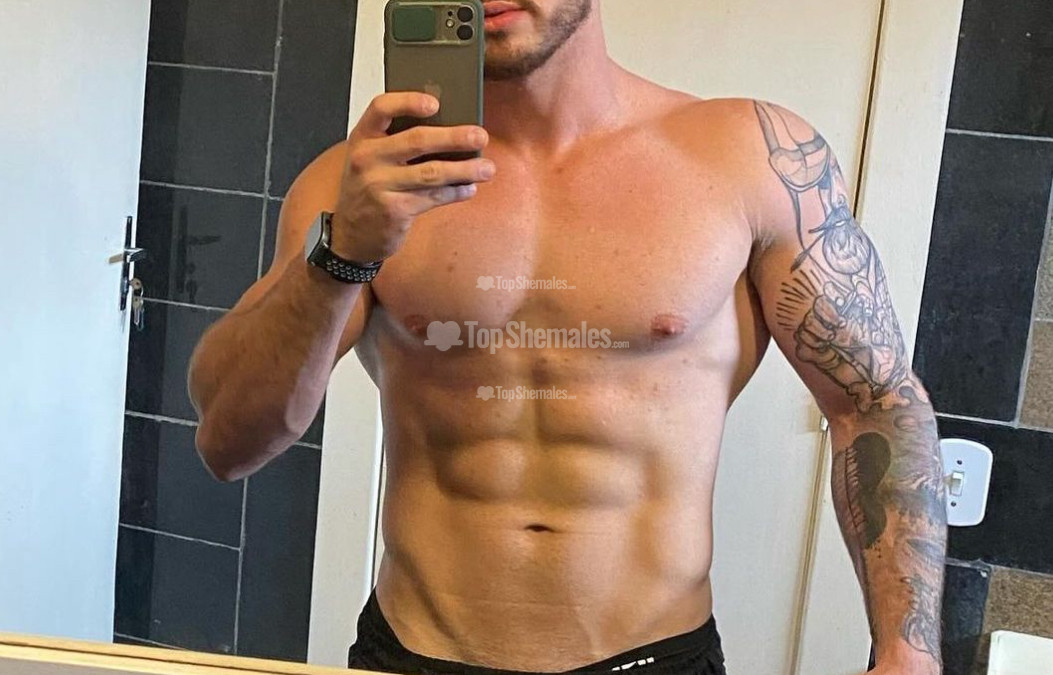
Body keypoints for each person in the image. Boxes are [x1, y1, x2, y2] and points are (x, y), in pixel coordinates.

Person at [188, 1, 948, 673]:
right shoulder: (356, 187)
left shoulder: (747, 156)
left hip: (653, 657)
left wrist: (907, 652)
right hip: (413, 653)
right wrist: (342, 253)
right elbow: (230, 443)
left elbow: (875, 401)